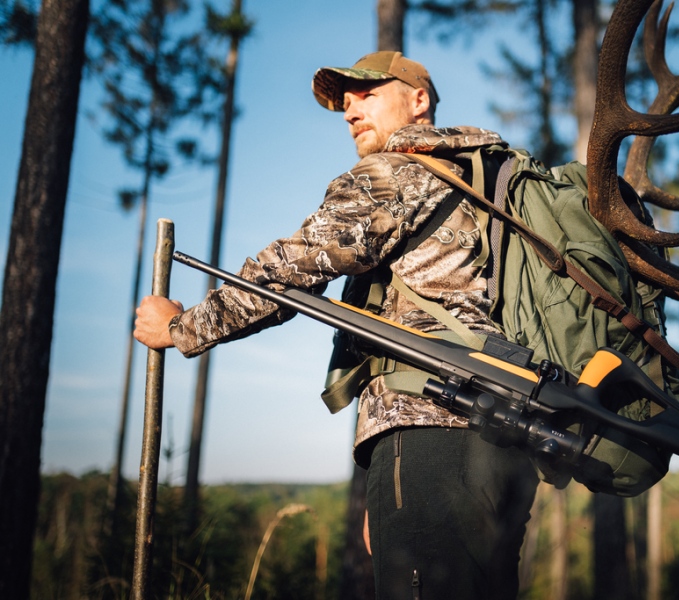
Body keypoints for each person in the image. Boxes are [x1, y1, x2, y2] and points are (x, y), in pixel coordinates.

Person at [133, 51, 539, 599]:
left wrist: (182, 326)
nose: (350, 111)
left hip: (430, 433)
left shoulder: (396, 172)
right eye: (345, 102)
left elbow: (289, 271)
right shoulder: (486, 185)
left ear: (419, 100)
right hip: (507, 437)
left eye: (368, 94)